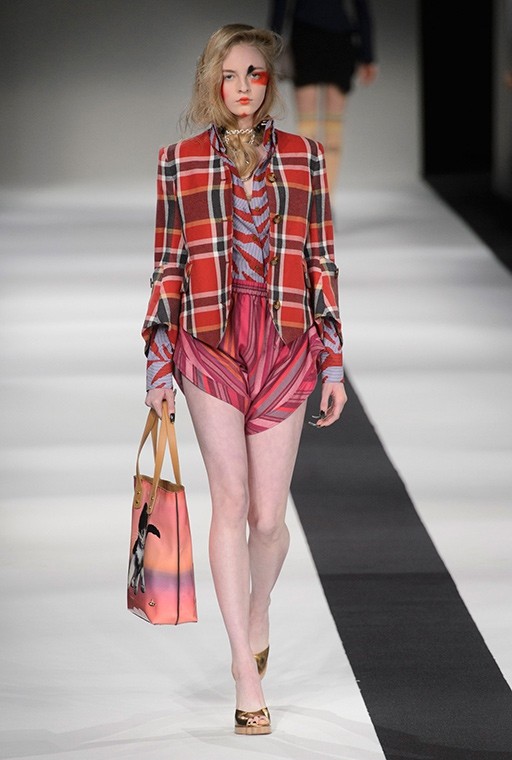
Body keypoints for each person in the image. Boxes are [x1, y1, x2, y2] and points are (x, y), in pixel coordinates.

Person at [142, 23, 347, 735]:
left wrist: (333, 359)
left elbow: (322, 261)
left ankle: (258, 611)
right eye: (229, 75)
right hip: (209, 342)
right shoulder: (178, 163)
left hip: (284, 341)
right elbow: (168, 264)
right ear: (212, 81)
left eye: (254, 73)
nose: (242, 87)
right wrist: (157, 362)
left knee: (268, 519)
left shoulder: (306, 159)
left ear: (269, 81)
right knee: (228, 501)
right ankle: (243, 666)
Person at [268, 0, 378, 193]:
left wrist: (272, 49)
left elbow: (280, 5)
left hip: (314, 36)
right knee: (317, 129)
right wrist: (367, 54)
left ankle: (320, 200)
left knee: (315, 128)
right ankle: (319, 200)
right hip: (327, 37)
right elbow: (361, 8)